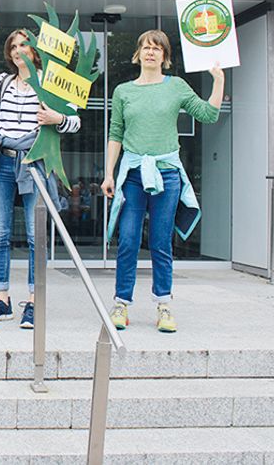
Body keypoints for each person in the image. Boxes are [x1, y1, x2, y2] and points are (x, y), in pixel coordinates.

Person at [101, 29, 224, 333]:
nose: (150, 52)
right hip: (131, 175)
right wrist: (108, 173)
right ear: (138, 53)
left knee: (160, 241)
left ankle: (164, 306)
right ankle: (121, 304)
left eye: (157, 48)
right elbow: (115, 133)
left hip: (167, 174)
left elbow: (208, 114)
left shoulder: (177, 86)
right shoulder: (123, 91)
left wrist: (218, 80)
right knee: (128, 239)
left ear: (165, 57)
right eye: (145, 47)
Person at [0, 29, 80, 329]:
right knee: (0, 234)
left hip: (36, 163)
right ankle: (2, 300)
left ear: (36, 49)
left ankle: (34, 303)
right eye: (13, 46)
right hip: (3, 162)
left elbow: (75, 122)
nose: (18, 50)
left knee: (35, 236)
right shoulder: (3, 82)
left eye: (24, 44)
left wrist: (56, 119)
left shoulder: (51, 82)